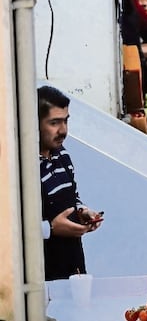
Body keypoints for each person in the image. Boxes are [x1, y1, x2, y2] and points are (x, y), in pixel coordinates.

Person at [39, 85, 103, 280]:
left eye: (65, 121)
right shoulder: (19, 167)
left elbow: (73, 196)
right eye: (54, 123)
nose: (63, 130)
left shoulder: (62, 155)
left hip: (73, 266)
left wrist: (82, 211)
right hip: (40, 273)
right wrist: (50, 229)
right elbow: (9, 227)